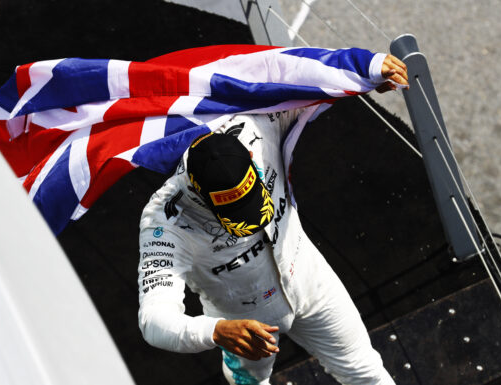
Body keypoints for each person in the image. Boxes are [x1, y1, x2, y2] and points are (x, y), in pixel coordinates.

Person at [137, 52, 408, 385]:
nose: (253, 220)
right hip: (244, 327)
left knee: (366, 371)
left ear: (251, 159)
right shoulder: (166, 223)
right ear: (198, 191)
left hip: (313, 286)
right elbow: (154, 320)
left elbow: (304, 84)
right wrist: (217, 331)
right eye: (235, 212)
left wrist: (364, 76)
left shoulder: (257, 129)